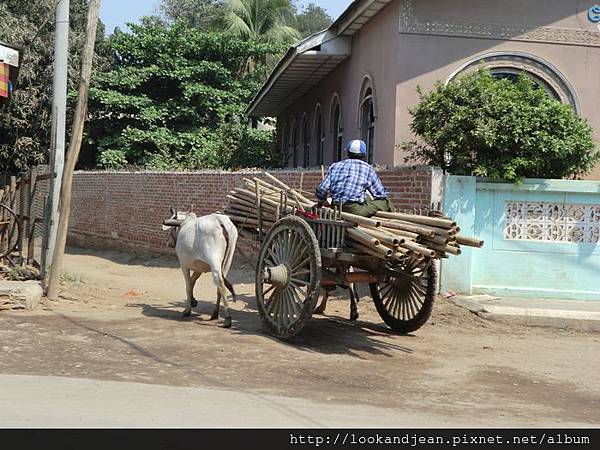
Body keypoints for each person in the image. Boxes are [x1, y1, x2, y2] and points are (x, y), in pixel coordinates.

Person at [315, 140, 394, 217]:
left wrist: (322, 201)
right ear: (364, 155)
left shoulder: (335, 166)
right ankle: (392, 218)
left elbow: (322, 189)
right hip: (353, 210)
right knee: (385, 202)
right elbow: (380, 194)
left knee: (366, 199)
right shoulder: (367, 168)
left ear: (348, 153)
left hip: (336, 207)